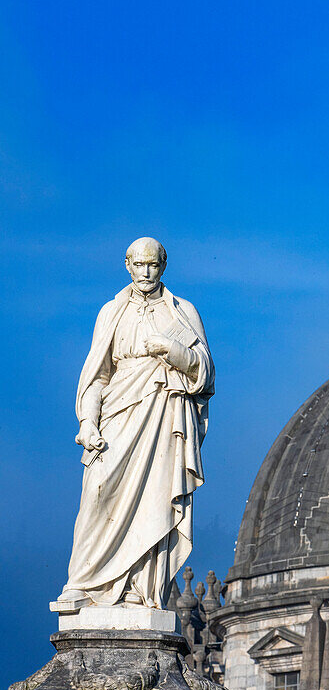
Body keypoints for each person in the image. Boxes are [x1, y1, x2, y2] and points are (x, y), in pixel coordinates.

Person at [55, 237, 214, 610]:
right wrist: (88, 422)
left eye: (153, 266)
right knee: (97, 493)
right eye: (139, 265)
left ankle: (139, 590)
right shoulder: (111, 312)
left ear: (163, 267)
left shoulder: (182, 311)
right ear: (127, 265)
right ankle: (84, 582)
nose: (146, 272)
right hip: (117, 412)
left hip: (162, 414)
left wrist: (172, 350)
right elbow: (96, 376)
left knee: (156, 499)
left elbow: (205, 374)